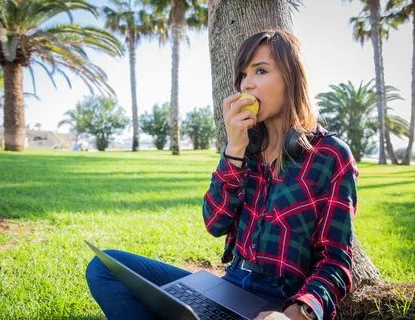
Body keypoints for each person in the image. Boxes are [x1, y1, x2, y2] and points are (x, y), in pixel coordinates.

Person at [86, 30, 358, 320]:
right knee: (104, 268)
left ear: (292, 78)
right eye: (243, 75)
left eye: (260, 71)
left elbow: (335, 262)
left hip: (275, 303)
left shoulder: (331, 156)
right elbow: (215, 222)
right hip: (227, 288)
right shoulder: (243, 146)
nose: (247, 84)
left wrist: (296, 313)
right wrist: (235, 149)